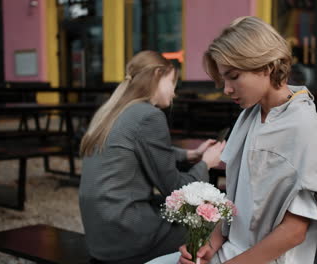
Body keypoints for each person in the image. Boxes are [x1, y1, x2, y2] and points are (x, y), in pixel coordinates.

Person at [147, 16, 317, 264]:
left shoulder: (302, 125)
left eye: (233, 76)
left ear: (266, 66)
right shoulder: (250, 117)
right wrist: (208, 245)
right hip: (233, 250)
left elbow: (294, 232)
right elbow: (235, 204)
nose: (226, 89)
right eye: (223, 79)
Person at [78, 50, 226, 264]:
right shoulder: (149, 116)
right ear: (158, 74)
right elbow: (178, 191)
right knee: (214, 223)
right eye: (173, 82)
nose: (174, 92)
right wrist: (206, 163)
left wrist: (191, 154)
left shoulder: (115, 111)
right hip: (126, 236)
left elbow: (144, 151)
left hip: (101, 235)